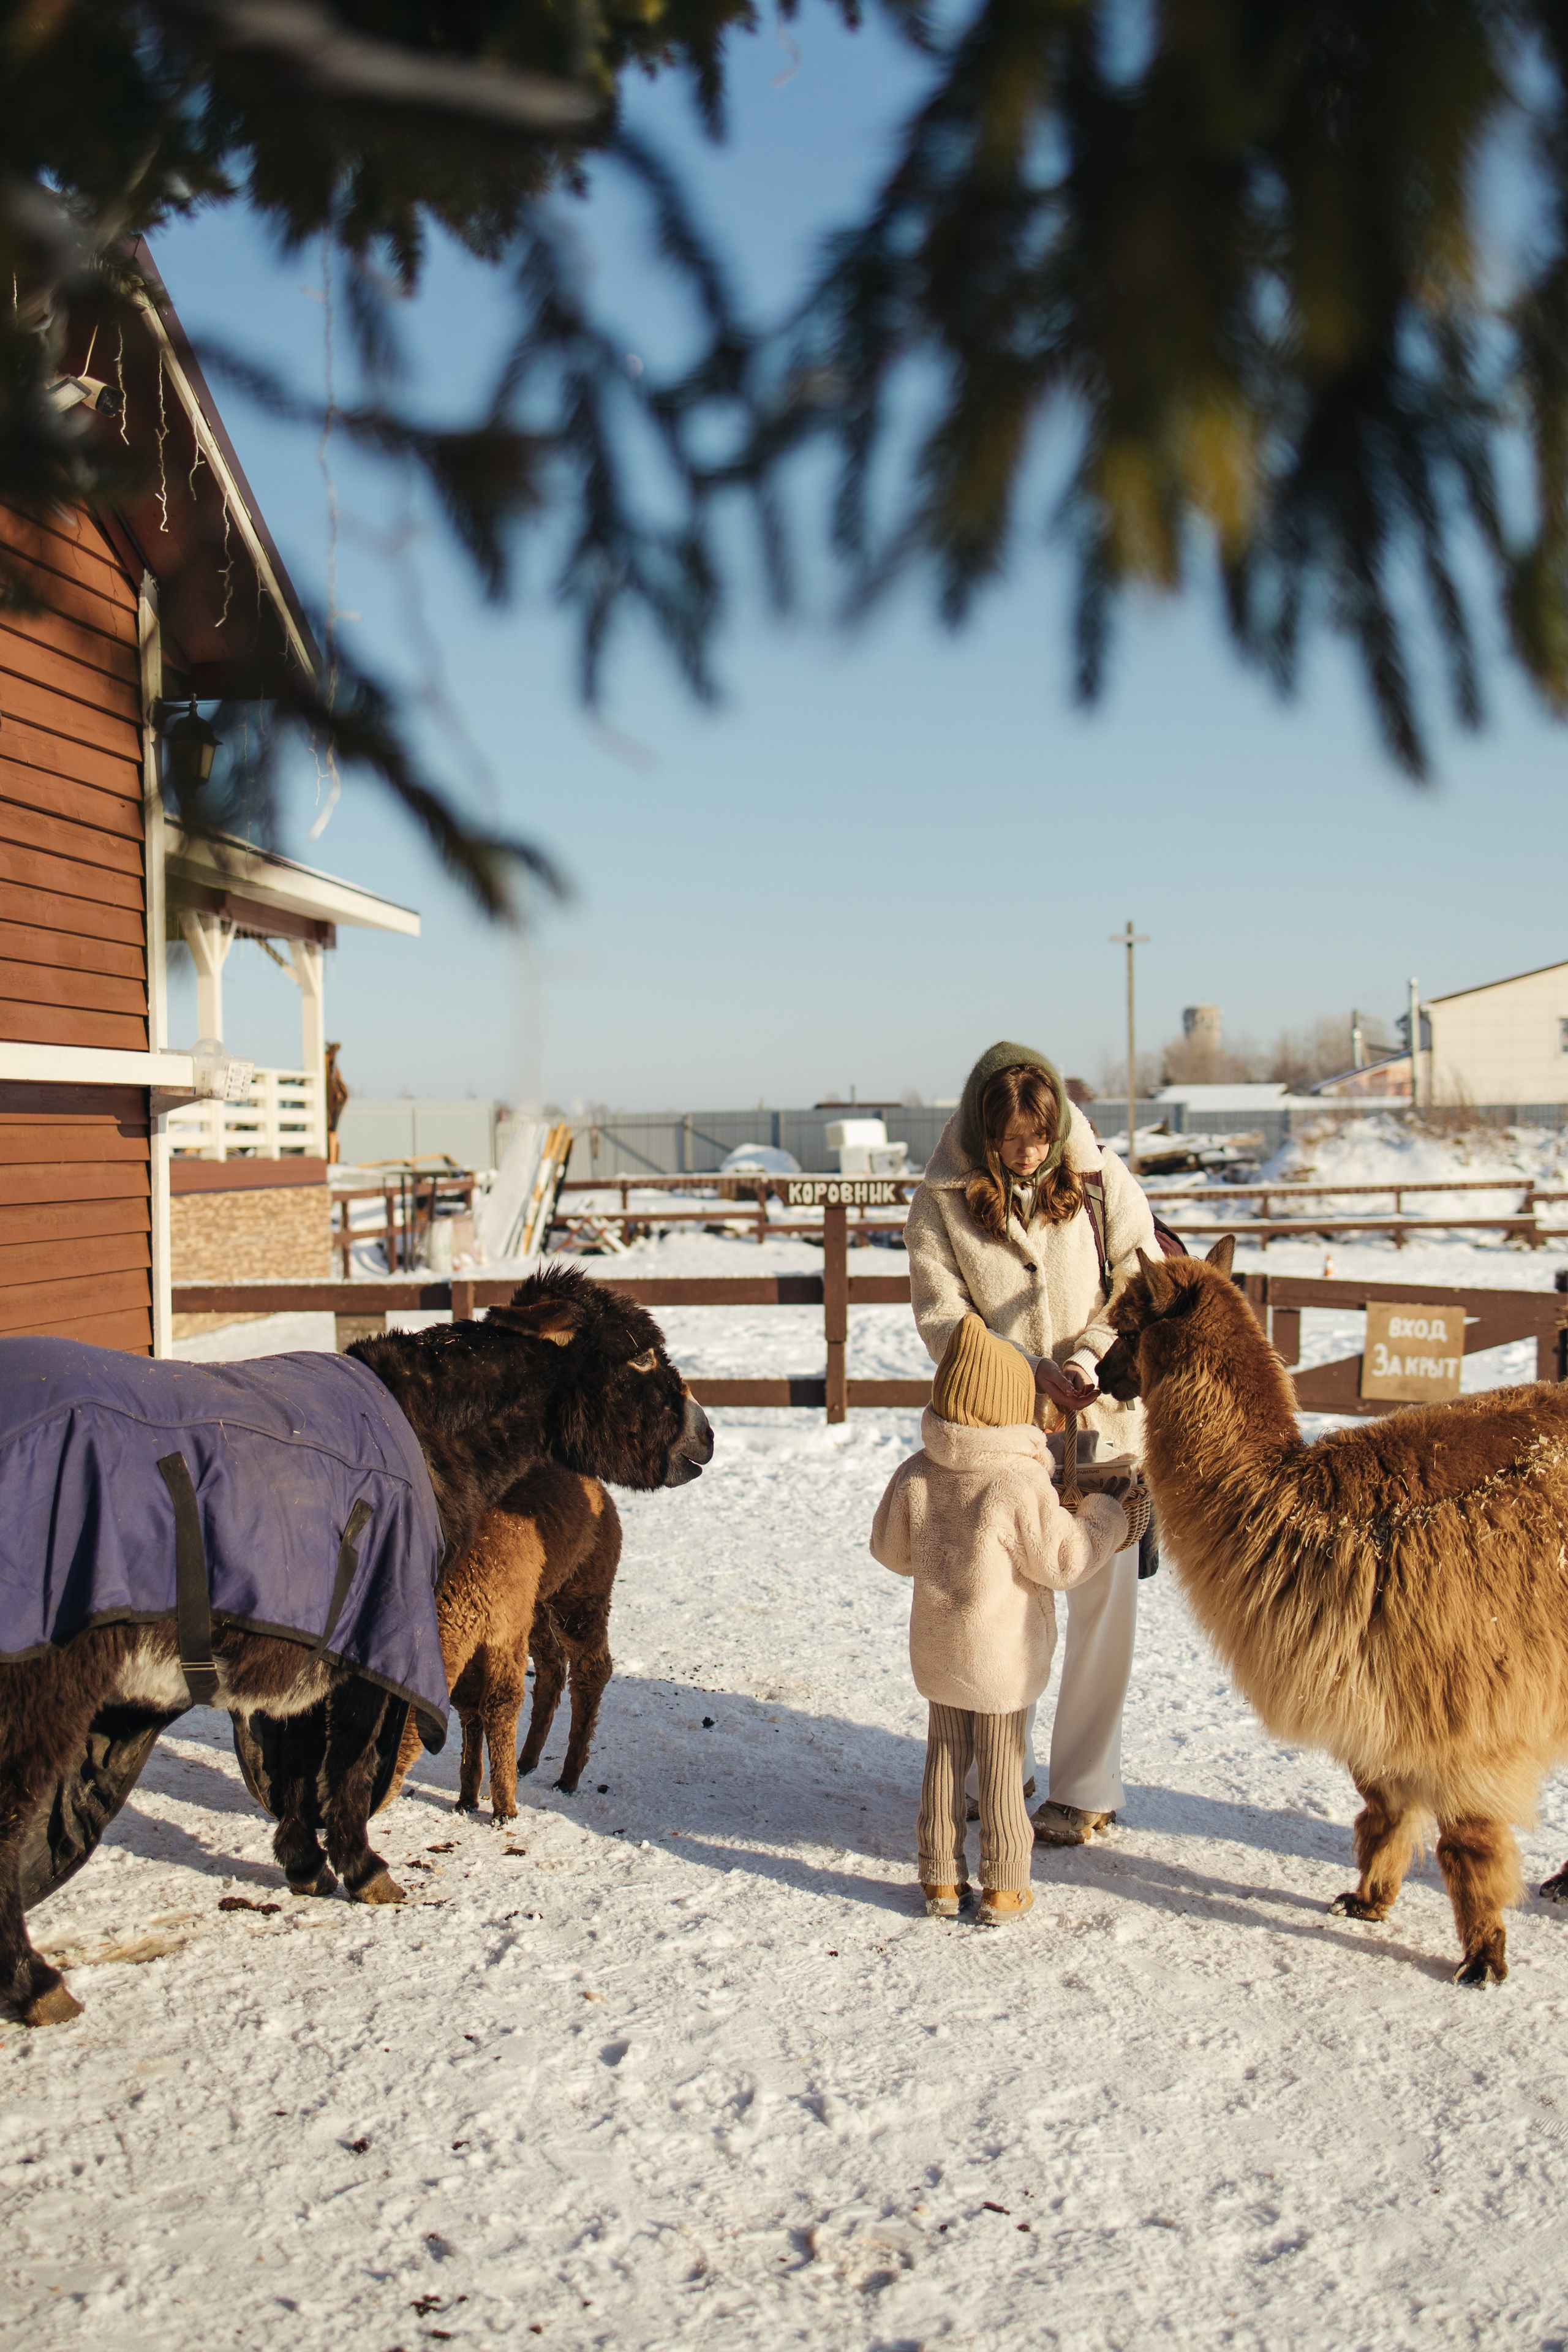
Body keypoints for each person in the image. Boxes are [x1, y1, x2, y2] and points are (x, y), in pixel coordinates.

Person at [904, 1041, 1160, 1845]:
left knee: (1101, 1610)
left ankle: (1086, 1787)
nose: (1027, 1153)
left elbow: (1139, 1279)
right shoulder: (939, 1202)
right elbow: (942, 1316)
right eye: (1012, 1140)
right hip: (997, 1432)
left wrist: (1085, 1358)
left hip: (1103, 1427)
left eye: (1040, 1137)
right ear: (983, 1129)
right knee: (995, 1606)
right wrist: (1024, 1371)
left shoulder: (1098, 1181)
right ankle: (994, 1772)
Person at [870, 1315, 1146, 1922]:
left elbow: (890, 1552)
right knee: (999, 1772)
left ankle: (940, 1881)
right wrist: (1106, 1515)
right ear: (1012, 1410)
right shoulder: (1018, 1482)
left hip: (938, 1653)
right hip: (1002, 1662)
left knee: (943, 1763)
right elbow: (1064, 1561)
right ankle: (1004, 1884)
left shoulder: (917, 1472)